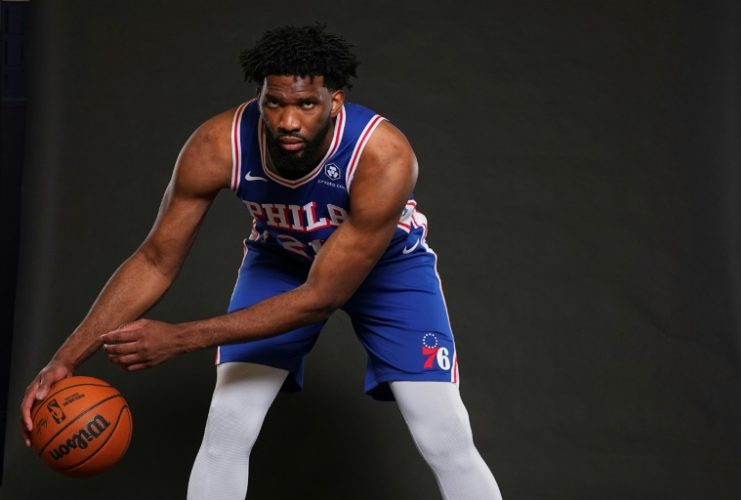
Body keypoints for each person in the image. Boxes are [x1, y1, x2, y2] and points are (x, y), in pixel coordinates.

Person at [20, 24, 503, 499]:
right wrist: (64, 359)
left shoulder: (382, 155)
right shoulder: (218, 145)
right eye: (275, 103)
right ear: (260, 99)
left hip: (388, 272)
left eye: (306, 104)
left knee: (444, 433)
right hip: (282, 259)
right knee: (228, 426)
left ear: (335, 101)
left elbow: (320, 298)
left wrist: (178, 338)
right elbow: (154, 259)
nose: (288, 121)